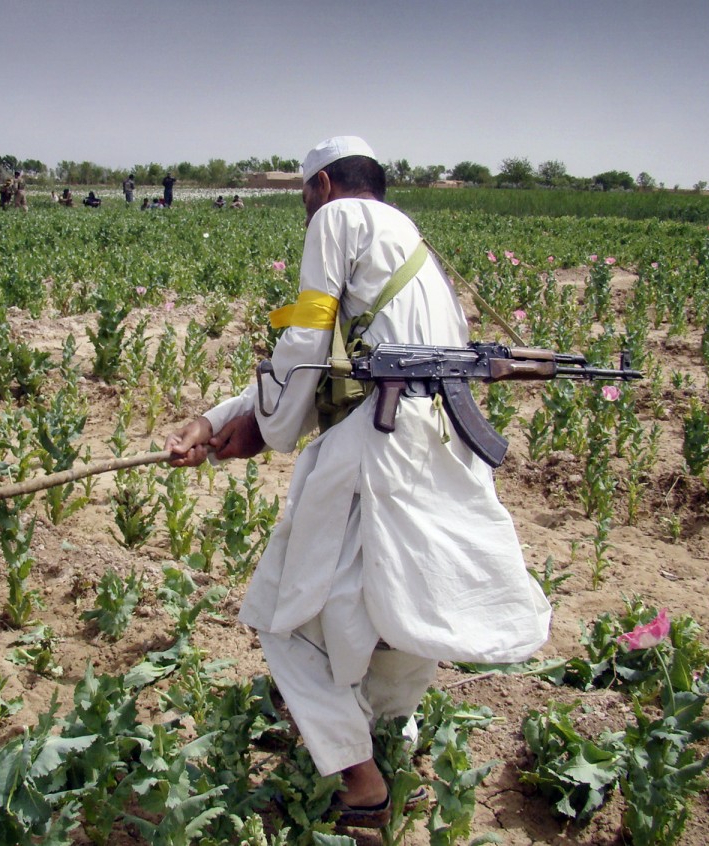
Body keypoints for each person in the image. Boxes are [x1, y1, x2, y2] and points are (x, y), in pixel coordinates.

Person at [165, 136, 550, 829]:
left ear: (321, 184)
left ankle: (359, 783)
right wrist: (221, 419)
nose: (305, 210)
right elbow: (349, 366)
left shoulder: (337, 221)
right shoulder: (416, 251)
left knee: (285, 613)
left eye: (305, 195)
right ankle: (379, 740)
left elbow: (308, 343)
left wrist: (264, 427)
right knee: (397, 607)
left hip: (376, 446)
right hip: (439, 444)